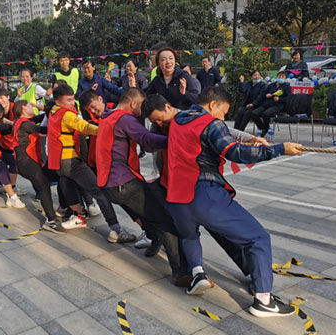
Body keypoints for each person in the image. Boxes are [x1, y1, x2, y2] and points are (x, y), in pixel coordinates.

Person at [164, 86, 303, 317]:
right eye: (223, 112)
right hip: (204, 194)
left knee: (189, 235)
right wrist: (279, 149)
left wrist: (249, 140)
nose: (223, 118)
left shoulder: (179, 119)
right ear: (212, 105)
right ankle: (264, 301)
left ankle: (197, 273)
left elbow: (216, 139)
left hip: (176, 197)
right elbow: (234, 152)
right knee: (258, 238)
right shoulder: (211, 123)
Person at [144, 93, 266, 279]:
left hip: (198, 185)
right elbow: (148, 144)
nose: (159, 123)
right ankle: (188, 274)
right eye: (155, 121)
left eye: (159, 119)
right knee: (180, 231)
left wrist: (249, 139)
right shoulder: (158, 128)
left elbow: (221, 129)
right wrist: (171, 140)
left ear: (168, 107)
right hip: (173, 186)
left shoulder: (186, 117)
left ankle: (252, 270)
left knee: (222, 232)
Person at [94, 88, 190, 282]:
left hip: (108, 184)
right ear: (133, 104)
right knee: (164, 219)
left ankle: (155, 240)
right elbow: (146, 140)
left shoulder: (107, 116)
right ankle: (181, 272)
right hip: (123, 182)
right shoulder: (125, 119)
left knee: (147, 213)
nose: (143, 112)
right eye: (141, 107)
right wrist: (176, 140)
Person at [48, 84, 135, 241]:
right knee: (99, 192)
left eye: (73, 99)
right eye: (68, 100)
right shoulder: (66, 115)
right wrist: (105, 130)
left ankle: (79, 216)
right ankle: (116, 230)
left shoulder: (53, 112)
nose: (72, 103)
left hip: (58, 162)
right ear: (58, 102)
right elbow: (84, 126)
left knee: (66, 182)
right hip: (70, 160)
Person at [12, 100, 85, 233]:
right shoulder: (23, 123)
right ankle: (51, 220)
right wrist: (65, 125)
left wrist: (54, 110)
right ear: (23, 108)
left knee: (60, 175)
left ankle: (65, 207)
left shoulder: (26, 121)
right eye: (30, 106)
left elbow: (45, 114)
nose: (33, 108)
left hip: (31, 161)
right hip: (26, 162)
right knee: (43, 186)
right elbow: (42, 129)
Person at [0, 88, 23, 194]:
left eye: (2, 98)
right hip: (2, 141)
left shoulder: (16, 108)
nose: (0, 101)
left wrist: (8, 122)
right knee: (0, 162)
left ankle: (12, 187)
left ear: (8, 97)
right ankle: (4, 183)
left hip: (17, 141)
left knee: (15, 163)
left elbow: (22, 125)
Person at [251, 71, 291, 137]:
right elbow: (264, 94)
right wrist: (267, 95)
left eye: (282, 77)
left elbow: (289, 98)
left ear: (285, 79)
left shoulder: (287, 87)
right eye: (279, 76)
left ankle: (266, 128)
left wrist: (279, 99)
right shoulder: (271, 85)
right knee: (254, 113)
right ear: (276, 77)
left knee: (266, 114)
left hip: (278, 105)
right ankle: (263, 127)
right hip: (267, 104)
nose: (280, 78)